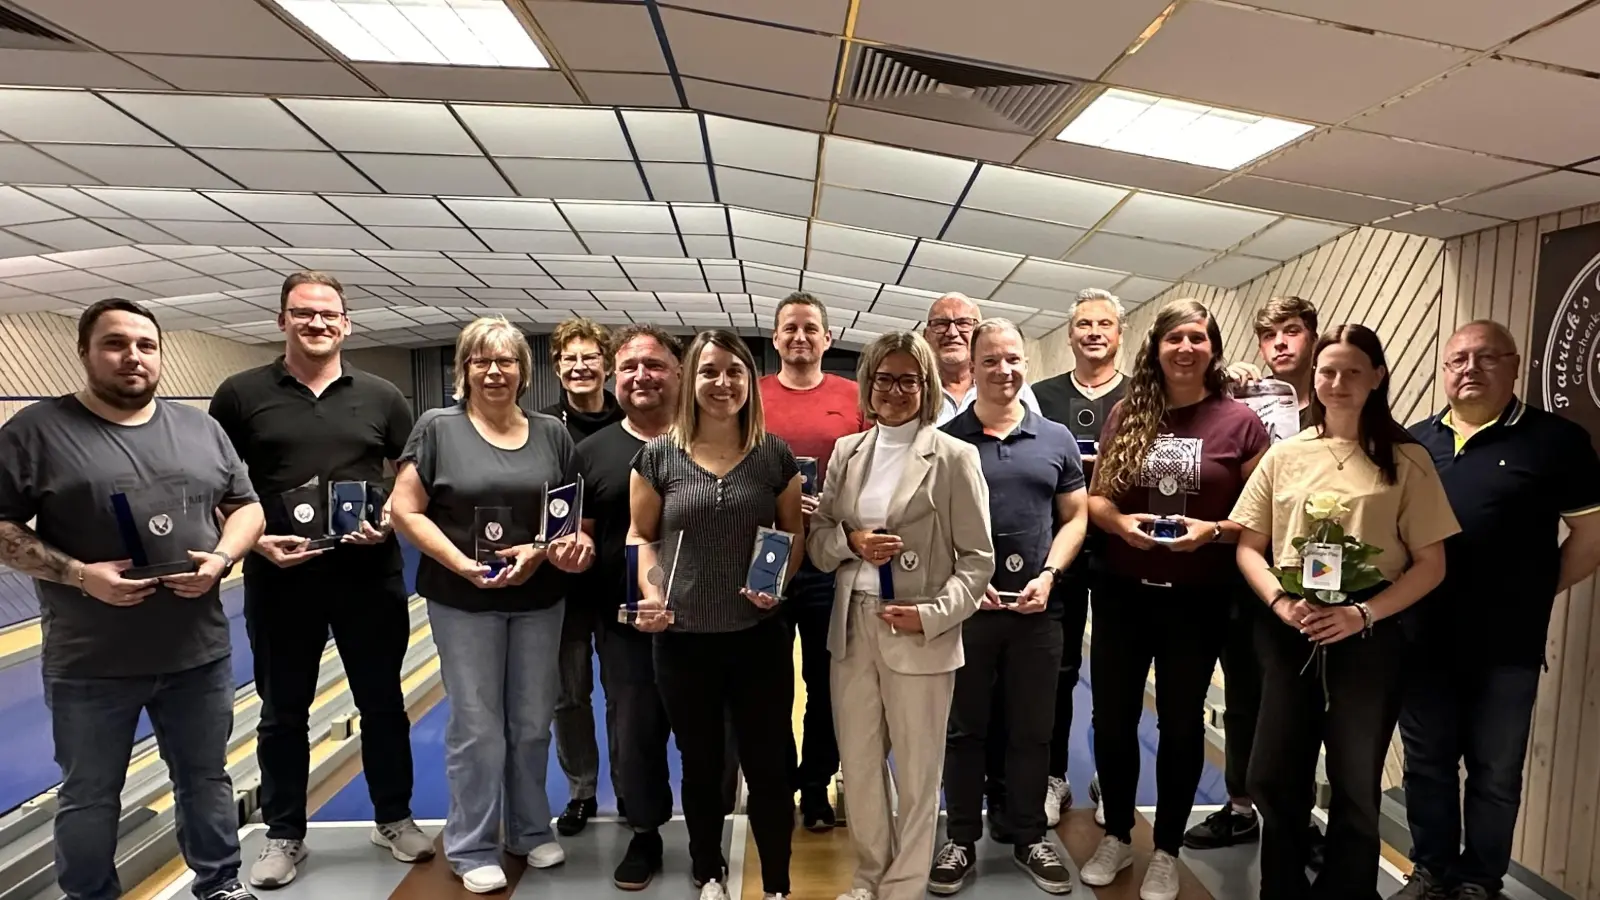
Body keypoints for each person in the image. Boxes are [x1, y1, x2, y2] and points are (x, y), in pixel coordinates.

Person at [0, 298, 266, 900]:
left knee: (205, 779)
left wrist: (223, 559)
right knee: (90, 795)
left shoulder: (201, 429)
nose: (133, 357)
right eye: (116, 344)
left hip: (196, 651)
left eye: (146, 345)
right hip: (91, 659)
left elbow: (245, 506)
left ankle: (220, 885)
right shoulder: (36, 432)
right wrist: (78, 575)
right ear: (86, 353)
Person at [208, 272, 432, 888]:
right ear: (281, 320)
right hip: (282, 577)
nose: (317, 323)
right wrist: (254, 539)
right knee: (283, 711)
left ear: (347, 322)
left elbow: (406, 477)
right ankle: (284, 834)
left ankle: (395, 817)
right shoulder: (239, 394)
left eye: (328, 314)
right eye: (303, 313)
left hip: (368, 573)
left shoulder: (382, 395)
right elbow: (216, 486)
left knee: (384, 703)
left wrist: (387, 518)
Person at [1231, 324, 1459, 900]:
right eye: (1327, 371)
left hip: (1367, 639)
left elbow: (1431, 564)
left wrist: (1364, 615)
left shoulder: (1406, 459)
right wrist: (1281, 603)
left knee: (1355, 782)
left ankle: (1347, 890)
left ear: (1377, 378)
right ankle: (1281, 886)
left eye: (1353, 371)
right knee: (1273, 775)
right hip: (1291, 632)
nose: (1337, 382)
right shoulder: (1286, 455)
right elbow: (1249, 547)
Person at [390, 316, 596, 894]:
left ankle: (528, 830)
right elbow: (405, 510)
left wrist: (539, 551)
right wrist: (460, 562)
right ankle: (471, 844)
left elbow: (567, 519)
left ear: (524, 372)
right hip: (462, 599)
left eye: (506, 360)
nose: (495, 371)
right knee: (478, 726)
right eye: (481, 360)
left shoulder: (552, 435)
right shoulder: (437, 428)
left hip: (538, 597)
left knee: (531, 722)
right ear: (464, 370)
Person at [1396, 320, 1600, 900]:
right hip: (1422, 640)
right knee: (1427, 767)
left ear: (1514, 366)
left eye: (1486, 358)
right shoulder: (1414, 444)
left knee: (1495, 774)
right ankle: (1431, 873)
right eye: (1458, 359)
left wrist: (1532, 594)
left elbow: (1590, 539)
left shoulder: (1556, 440)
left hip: (1507, 647)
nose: (1470, 369)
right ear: (1443, 370)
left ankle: (1480, 882)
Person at [1078, 298, 1270, 900]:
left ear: (1211, 348)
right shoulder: (1126, 413)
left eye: (1198, 338)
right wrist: (1120, 526)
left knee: (1183, 723)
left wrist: (1213, 532)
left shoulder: (1241, 423)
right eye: (1174, 339)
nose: (1186, 348)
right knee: (1111, 718)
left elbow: (1263, 516)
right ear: (1155, 348)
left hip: (1199, 598)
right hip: (1122, 593)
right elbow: (1098, 498)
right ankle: (1115, 834)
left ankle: (1166, 848)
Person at [806, 331, 993, 900]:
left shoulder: (955, 457)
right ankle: (870, 876)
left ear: (927, 387)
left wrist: (932, 615)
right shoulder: (846, 452)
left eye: (908, 379)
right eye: (884, 378)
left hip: (917, 631)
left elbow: (978, 562)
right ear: (868, 385)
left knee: (917, 773)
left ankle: (905, 886)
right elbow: (818, 543)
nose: (894, 390)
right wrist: (851, 542)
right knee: (860, 766)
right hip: (852, 628)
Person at [627, 329, 804, 900]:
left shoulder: (774, 454)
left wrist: (775, 583)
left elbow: (792, 533)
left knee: (769, 767)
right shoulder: (657, 454)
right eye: (709, 372)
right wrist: (652, 593)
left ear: (750, 381)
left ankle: (776, 884)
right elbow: (641, 535)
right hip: (684, 641)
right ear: (690, 381)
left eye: (734, 371)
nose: (721, 383)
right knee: (702, 767)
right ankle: (708, 873)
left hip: (758, 635)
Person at [932, 319, 1087, 896]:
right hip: (968, 612)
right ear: (972, 368)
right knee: (965, 729)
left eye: (1013, 359)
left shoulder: (1056, 439)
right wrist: (966, 582)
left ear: (1026, 364)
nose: (1004, 370)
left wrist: (1050, 574)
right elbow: (933, 527)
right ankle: (961, 838)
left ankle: (1027, 835)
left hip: (1036, 611)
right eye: (991, 360)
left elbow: (1076, 518)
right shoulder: (947, 441)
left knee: (1032, 729)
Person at [1190, 295, 1325, 858]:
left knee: (1305, 704)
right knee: (1244, 695)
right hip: (1246, 571)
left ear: (1312, 337)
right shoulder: (1243, 401)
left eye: (1292, 332)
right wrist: (1227, 378)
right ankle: (1241, 806)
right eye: (1270, 336)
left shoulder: (1339, 402)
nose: (1281, 345)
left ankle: (1300, 817)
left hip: (1318, 579)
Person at [573, 324, 685, 890]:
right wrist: (577, 549)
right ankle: (644, 834)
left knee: (713, 728)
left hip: (708, 618)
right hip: (624, 620)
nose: (641, 376)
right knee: (634, 730)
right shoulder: (590, 453)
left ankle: (712, 825)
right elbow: (582, 532)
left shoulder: (714, 439)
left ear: (677, 373)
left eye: (654, 365)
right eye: (629, 368)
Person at [758, 291, 867, 831]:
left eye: (810, 328)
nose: (799, 337)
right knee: (769, 679)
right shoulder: (750, 397)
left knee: (829, 680)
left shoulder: (854, 398)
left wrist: (831, 507)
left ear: (828, 338)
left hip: (829, 555)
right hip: (767, 554)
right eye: (789, 328)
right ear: (775, 338)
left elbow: (873, 474)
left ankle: (817, 784)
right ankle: (777, 780)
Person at [1029, 288, 1129, 828]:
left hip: (1121, 555)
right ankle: (1054, 776)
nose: (1094, 332)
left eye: (1105, 324)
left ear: (1120, 335)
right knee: (1058, 670)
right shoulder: (1039, 397)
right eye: (1084, 324)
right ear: (1069, 335)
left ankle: (1112, 775)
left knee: (1115, 673)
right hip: (1058, 551)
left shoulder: (1143, 398)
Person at [541, 317, 625, 836]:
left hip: (618, 580)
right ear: (557, 369)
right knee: (568, 696)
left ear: (607, 365)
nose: (579, 366)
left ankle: (631, 788)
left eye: (589, 357)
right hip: (562, 587)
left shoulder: (633, 420)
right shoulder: (543, 428)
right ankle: (582, 791)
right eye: (569, 359)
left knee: (624, 693)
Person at [926, 292, 1038, 426]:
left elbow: (1037, 441)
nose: (952, 333)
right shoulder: (913, 389)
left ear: (979, 335)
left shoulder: (1014, 388)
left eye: (963, 323)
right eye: (941, 323)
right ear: (926, 335)